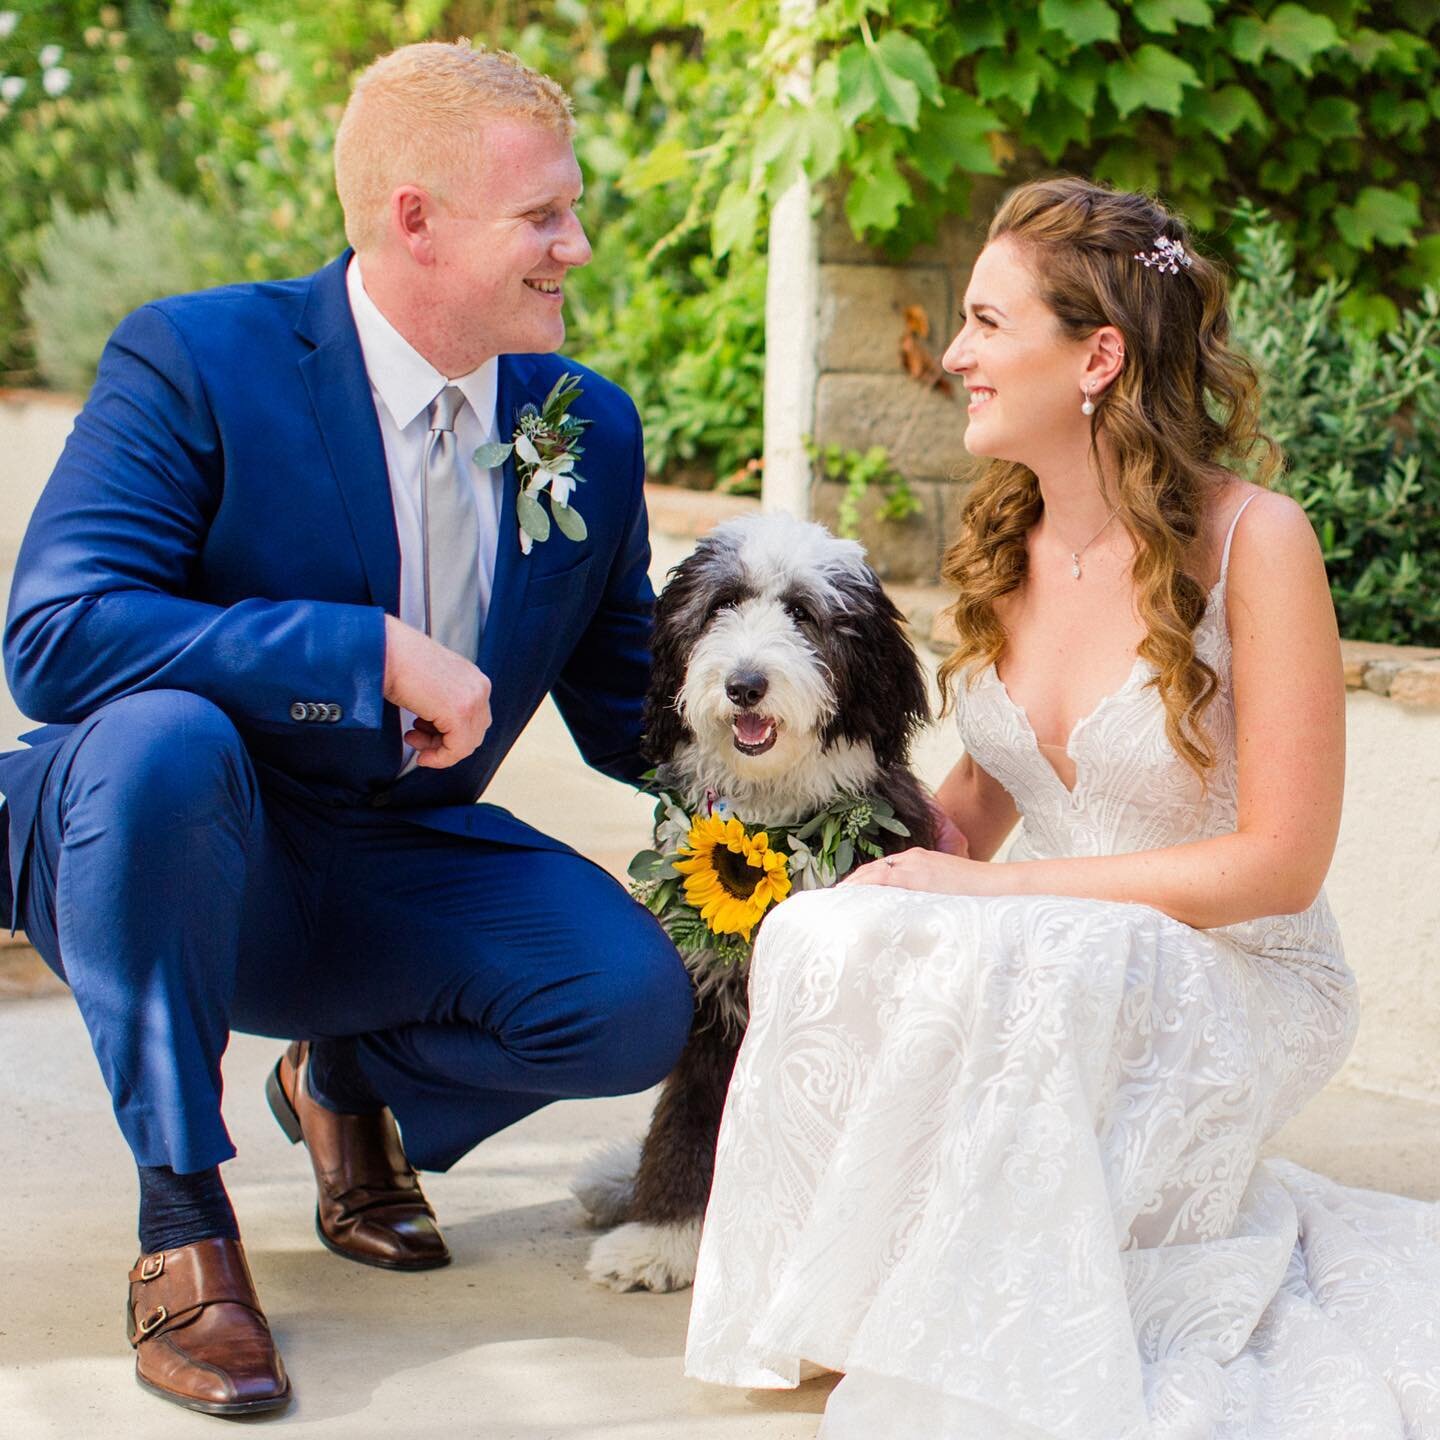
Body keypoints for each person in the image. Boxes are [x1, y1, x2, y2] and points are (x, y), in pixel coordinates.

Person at [684, 178, 1440, 1438]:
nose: (958, 354)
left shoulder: (1259, 542)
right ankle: (830, 1293)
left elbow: (1281, 866)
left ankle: (991, 1307)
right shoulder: (1005, 540)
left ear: (1096, 355)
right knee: (825, 931)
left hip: (1240, 962)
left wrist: (990, 893)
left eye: (987, 322)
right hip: (1060, 942)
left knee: (1068, 953)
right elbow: (979, 803)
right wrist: (829, 868)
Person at [0, 42, 691, 1417]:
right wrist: (353, 655)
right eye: (543, 215)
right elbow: (55, 635)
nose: (580, 242)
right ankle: (182, 1224)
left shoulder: (579, 427)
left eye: (574, 206)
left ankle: (341, 1080)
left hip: (386, 856)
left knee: (629, 1003)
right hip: (168, 838)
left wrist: (819, 754)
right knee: (165, 745)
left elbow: (632, 713)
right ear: (414, 219)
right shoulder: (197, 358)